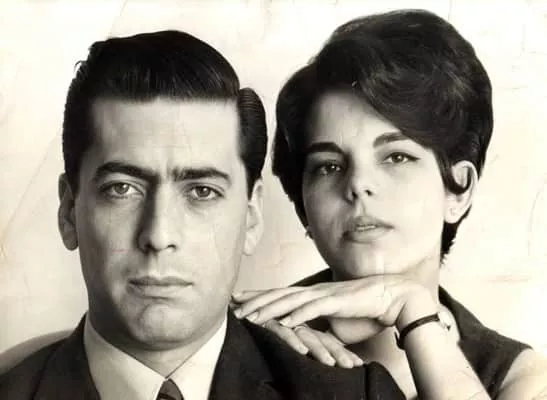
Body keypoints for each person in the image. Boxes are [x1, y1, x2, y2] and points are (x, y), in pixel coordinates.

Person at [0, 30, 405, 400]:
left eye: (201, 191)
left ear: (251, 216)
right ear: (69, 212)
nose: (159, 235)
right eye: (122, 189)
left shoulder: (354, 395)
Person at [232, 9, 547, 399]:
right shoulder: (241, 343)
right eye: (329, 166)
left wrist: (414, 313)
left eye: (397, 157)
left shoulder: (524, 380)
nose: (358, 184)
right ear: (303, 207)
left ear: (459, 190)